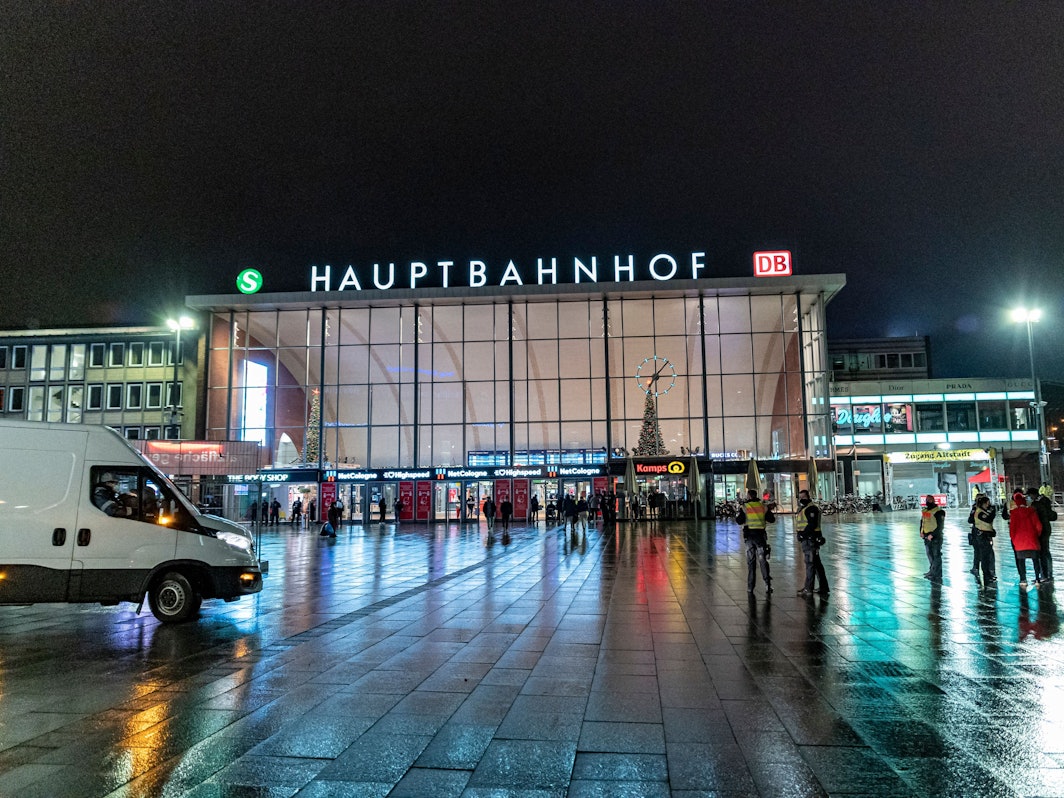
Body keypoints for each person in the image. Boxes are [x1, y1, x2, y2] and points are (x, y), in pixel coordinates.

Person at [736, 488, 774, 594]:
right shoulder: (763, 506)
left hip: (749, 538)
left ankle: (750, 587)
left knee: (751, 563)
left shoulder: (745, 507)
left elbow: (739, 521)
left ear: (748, 496)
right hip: (761, 537)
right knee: (763, 561)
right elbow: (772, 519)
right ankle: (767, 584)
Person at [795, 489, 829, 596]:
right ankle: (823, 587)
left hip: (810, 539)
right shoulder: (804, 508)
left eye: (803, 497)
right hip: (810, 539)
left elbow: (812, 524)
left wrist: (802, 534)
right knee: (817, 564)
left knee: (810, 564)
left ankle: (808, 589)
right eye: (800, 497)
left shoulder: (811, 508)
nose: (801, 499)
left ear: (808, 497)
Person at [1008, 493, 1043, 587]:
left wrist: (1014, 540)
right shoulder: (1032, 511)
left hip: (1019, 542)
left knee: (1021, 561)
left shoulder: (1014, 513)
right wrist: (1036, 535)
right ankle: (1037, 579)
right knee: (1035, 560)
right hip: (1032, 540)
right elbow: (1038, 526)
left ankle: (1023, 579)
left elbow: (1012, 529)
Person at [1027, 487, 1057, 583]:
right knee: (1046, 551)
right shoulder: (1045, 500)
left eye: (1029, 495)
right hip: (1047, 528)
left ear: (1033, 494)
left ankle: (1044, 574)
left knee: (1042, 552)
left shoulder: (1036, 504)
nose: (1029, 497)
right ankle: (1049, 573)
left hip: (1041, 530)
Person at [968, 493, 998, 588]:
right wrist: (992, 512)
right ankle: (986, 574)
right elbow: (988, 519)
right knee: (984, 556)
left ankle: (987, 573)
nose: (988, 504)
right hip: (981, 536)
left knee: (986, 555)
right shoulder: (979, 511)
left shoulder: (983, 510)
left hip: (984, 535)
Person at [919, 494, 946, 583]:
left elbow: (940, 526)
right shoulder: (925, 511)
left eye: (929, 500)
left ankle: (936, 574)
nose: (928, 501)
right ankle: (932, 571)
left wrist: (933, 535)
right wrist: (921, 531)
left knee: (936, 555)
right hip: (926, 536)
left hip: (935, 537)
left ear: (933, 500)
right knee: (930, 555)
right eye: (927, 500)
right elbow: (922, 522)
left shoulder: (939, 511)